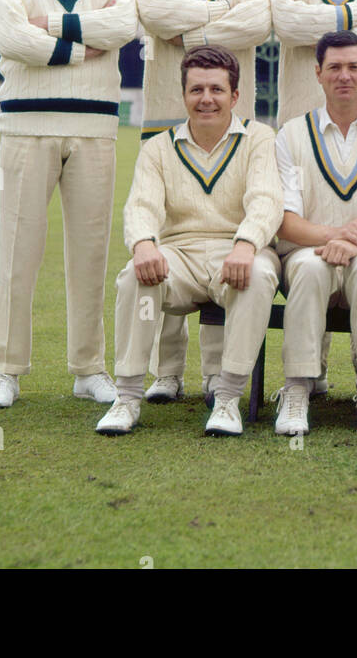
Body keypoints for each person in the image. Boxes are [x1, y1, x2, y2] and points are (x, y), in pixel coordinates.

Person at [0, 0, 136, 408]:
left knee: (90, 253)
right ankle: (5, 370)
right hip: (27, 124)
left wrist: (48, 24)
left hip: (95, 125)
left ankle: (88, 368)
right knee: (17, 251)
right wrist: (78, 42)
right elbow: (8, 36)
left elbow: (124, 26)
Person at [95, 46, 283, 436]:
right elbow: (141, 205)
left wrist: (246, 245)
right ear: (184, 95)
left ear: (235, 96)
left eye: (216, 90)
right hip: (179, 254)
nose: (206, 99)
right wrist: (144, 244)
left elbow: (266, 200)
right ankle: (127, 397)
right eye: (196, 90)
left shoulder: (259, 138)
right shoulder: (158, 147)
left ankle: (228, 398)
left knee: (259, 275)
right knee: (135, 275)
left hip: (236, 249)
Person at [134, 0, 272, 405]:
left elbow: (258, 22)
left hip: (234, 134)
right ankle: (166, 372)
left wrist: (188, 35)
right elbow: (152, 11)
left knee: (225, 244)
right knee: (168, 246)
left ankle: (217, 373)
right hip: (166, 127)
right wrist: (221, 24)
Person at [272, 31, 357, 437]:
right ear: (317, 73)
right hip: (306, 253)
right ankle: (298, 386)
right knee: (313, 270)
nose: (343, 76)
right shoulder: (291, 134)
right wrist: (335, 236)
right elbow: (286, 221)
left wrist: (353, 244)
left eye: (353, 67)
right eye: (334, 67)